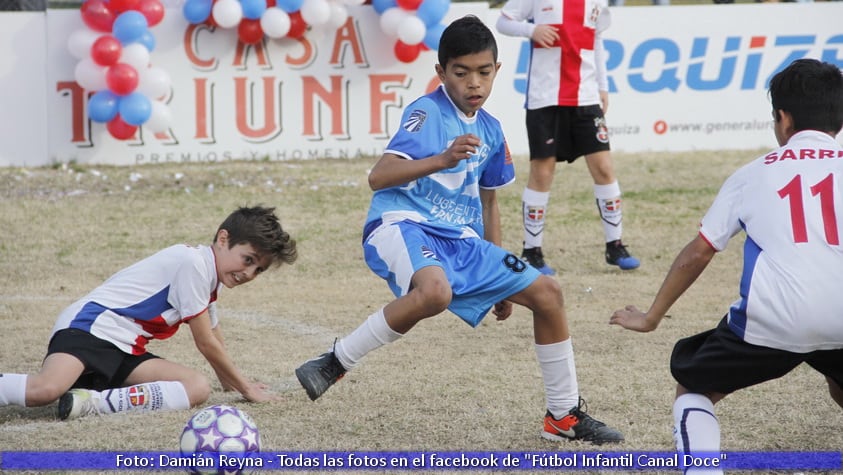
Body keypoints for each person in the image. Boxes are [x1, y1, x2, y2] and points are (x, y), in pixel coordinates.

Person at [294, 15, 623, 445]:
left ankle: (563, 417)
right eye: (462, 72)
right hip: (403, 223)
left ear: (497, 72)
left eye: (483, 72)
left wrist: (502, 280)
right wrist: (442, 160)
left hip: (461, 239)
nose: (474, 83)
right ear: (441, 72)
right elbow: (379, 176)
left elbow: (490, 202)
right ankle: (336, 360)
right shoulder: (426, 111)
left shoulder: (491, 130)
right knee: (435, 292)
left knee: (548, 293)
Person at [609, 58, 843, 473]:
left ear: (783, 119)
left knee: (693, 387)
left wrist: (651, 317)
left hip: (773, 321)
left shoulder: (753, 173)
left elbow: (699, 251)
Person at [0, 206, 297, 420]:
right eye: (248, 259)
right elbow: (205, 342)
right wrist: (247, 389)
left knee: (196, 387)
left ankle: (90, 403)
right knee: (44, 391)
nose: (248, 273)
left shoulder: (210, 279)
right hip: (90, 328)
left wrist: (229, 382)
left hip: (125, 347)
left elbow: (215, 336)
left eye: (258, 269)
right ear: (223, 239)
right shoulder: (193, 264)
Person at [496, 0, 640, 275]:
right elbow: (503, 21)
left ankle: (616, 246)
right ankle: (532, 251)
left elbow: (596, 42)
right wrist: (532, 30)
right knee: (542, 171)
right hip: (545, 98)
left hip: (585, 98)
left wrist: (603, 87)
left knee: (604, 168)